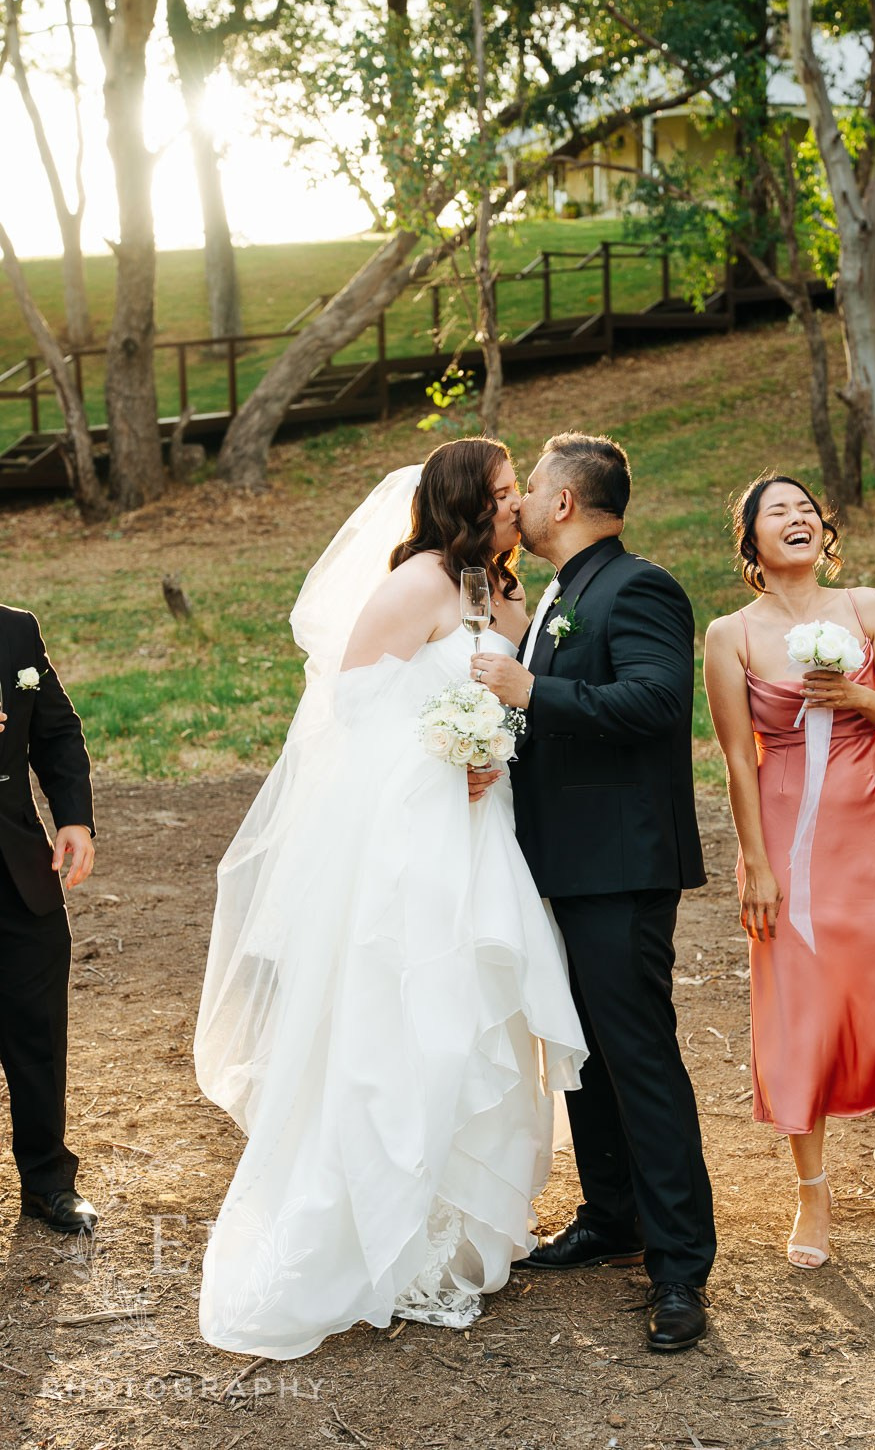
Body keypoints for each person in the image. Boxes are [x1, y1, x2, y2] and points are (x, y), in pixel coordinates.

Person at [195, 440, 586, 1360]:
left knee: (484, 1014)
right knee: (415, 1018)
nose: (515, 506)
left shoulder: (507, 593)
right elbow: (355, 704)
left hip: (487, 831)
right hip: (420, 835)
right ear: (463, 502)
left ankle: (458, 1233)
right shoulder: (417, 583)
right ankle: (379, 1237)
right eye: (501, 493)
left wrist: (495, 750)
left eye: (515, 492)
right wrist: (451, 753)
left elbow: (516, 696)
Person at [471, 432, 715, 1353]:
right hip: (563, 864)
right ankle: (613, 1216)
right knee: (588, 1054)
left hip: (620, 867)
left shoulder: (639, 587)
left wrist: (530, 688)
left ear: (566, 502)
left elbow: (656, 703)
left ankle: (680, 1266)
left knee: (639, 1057)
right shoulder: (561, 596)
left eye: (530, 488)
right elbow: (554, 724)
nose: (520, 503)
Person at [702, 473, 875, 1271]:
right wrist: (755, 862)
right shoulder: (730, 635)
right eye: (778, 511)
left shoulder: (866, 607)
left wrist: (855, 697)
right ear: (752, 539)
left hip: (873, 837)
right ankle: (812, 1189)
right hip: (784, 842)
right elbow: (738, 759)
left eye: (806, 508)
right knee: (799, 1010)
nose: (798, 517)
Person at [0, 603, 97, 1234]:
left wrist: (74, 819)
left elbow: (57, 733)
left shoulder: (15, 631)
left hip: (16, 872)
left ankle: (47, 1182)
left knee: (38, 1028)